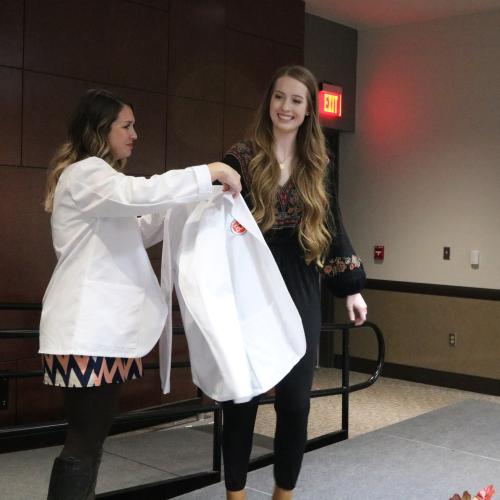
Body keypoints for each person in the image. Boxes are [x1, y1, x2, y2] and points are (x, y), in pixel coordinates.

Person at [39, 88, 241, 500]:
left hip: (98, 333)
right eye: (126, 126)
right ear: (100, 130)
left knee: (90, 442)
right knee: (84, 441)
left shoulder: (99, 183)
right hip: (86, 333)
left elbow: (143, 224)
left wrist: (200, 197)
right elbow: (139, 194)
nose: (135, 134)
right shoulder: (86, 174)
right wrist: (208, 171)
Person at [221, 65, 367, 500]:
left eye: (296, 100)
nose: (286, 106)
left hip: (301, 276)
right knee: (241, 395)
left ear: (308, 112)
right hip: (250, 278)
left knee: (296, 399)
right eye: (279, 97)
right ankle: (236, 493)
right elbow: (210, 213)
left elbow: (333, 226)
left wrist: (351, 288)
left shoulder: (319, 164)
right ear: (269, 102)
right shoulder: (241, 157)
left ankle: (284, 492)